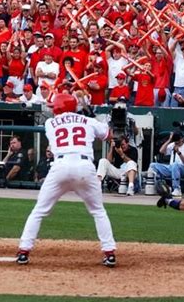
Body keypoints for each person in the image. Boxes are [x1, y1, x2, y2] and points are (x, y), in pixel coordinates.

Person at [16, 93, 117, 267]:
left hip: (60, 166)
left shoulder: (50, 123)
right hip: (85, 166)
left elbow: (62, 118)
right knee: (98, 211)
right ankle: (109, 253)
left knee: (39, 211)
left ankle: (24, 251)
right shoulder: (88, 120)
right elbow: (109, 135)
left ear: (58, 108)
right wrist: (92, 116)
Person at [148, 131, 184, 198]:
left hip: (183, 168)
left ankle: (177, 188)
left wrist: (178, 152)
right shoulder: (173, 144)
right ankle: (161, 187)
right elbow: (161, 151)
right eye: (175, 140)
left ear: (182, 139)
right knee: (153, 165)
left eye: (178, 140)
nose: (176, 142)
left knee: (175, 165)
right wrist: (169, 140)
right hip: (171, 168)